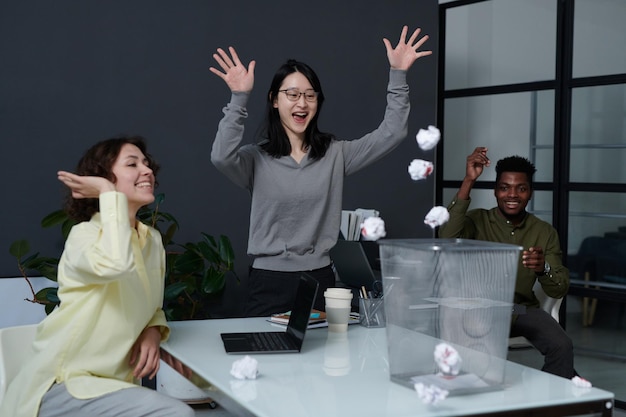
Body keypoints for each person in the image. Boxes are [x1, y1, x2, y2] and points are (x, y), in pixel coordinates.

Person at [209, 25, 432, 317]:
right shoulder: (256, 159)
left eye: (310, 95)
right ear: (275, 101)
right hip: (269, 282)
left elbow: (392, 133)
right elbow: (221, 157)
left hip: (319, 279)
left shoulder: (335, 154)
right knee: (267, 355)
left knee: (320, 361)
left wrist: (398, 75)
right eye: (292, 94)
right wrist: (238, 98)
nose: (302, 103)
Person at [0, 137, 194, 417]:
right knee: (177, 413)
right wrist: (106, 192)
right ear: (102, 180)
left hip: (112, 389)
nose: (147, 170)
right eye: (132, 164)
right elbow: (116, 264)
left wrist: (153, 329)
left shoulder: (151, 240)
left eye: (146, 163)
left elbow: (152, 305)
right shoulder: (84, 236)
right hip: (64, 384)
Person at [438, 146, 575, 379]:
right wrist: (469, 180)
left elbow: (559, 287)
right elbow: (447, 237)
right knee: (486, 360)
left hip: (520, 309)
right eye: (504, 188)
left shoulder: (544, 232)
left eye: (521, 189)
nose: (512, 195)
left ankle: (547, 403)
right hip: (478, 310)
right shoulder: (476, 220)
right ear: (495, 191)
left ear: (530, 193)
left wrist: (544, 268)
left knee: (562, 346)